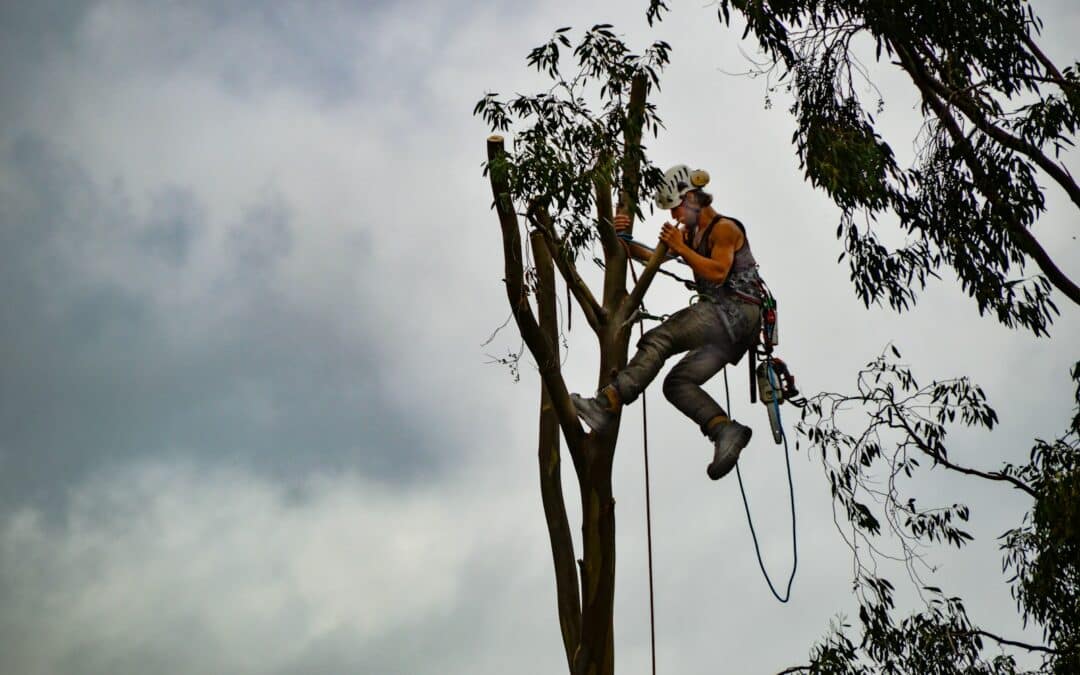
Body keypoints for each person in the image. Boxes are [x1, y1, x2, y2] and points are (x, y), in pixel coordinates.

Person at [571, 165, 763, 480]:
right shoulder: (690, 235)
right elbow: (654, 256)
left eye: (675, 207)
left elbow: (717, 272)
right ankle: (724, 429)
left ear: (690, 197)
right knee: (676, 384)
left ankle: (606, 403)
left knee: (661, 338)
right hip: (727, 328)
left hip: (736, 311)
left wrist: (681, 247)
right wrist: (623, 239)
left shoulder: (724, 229)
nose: (675, 216)